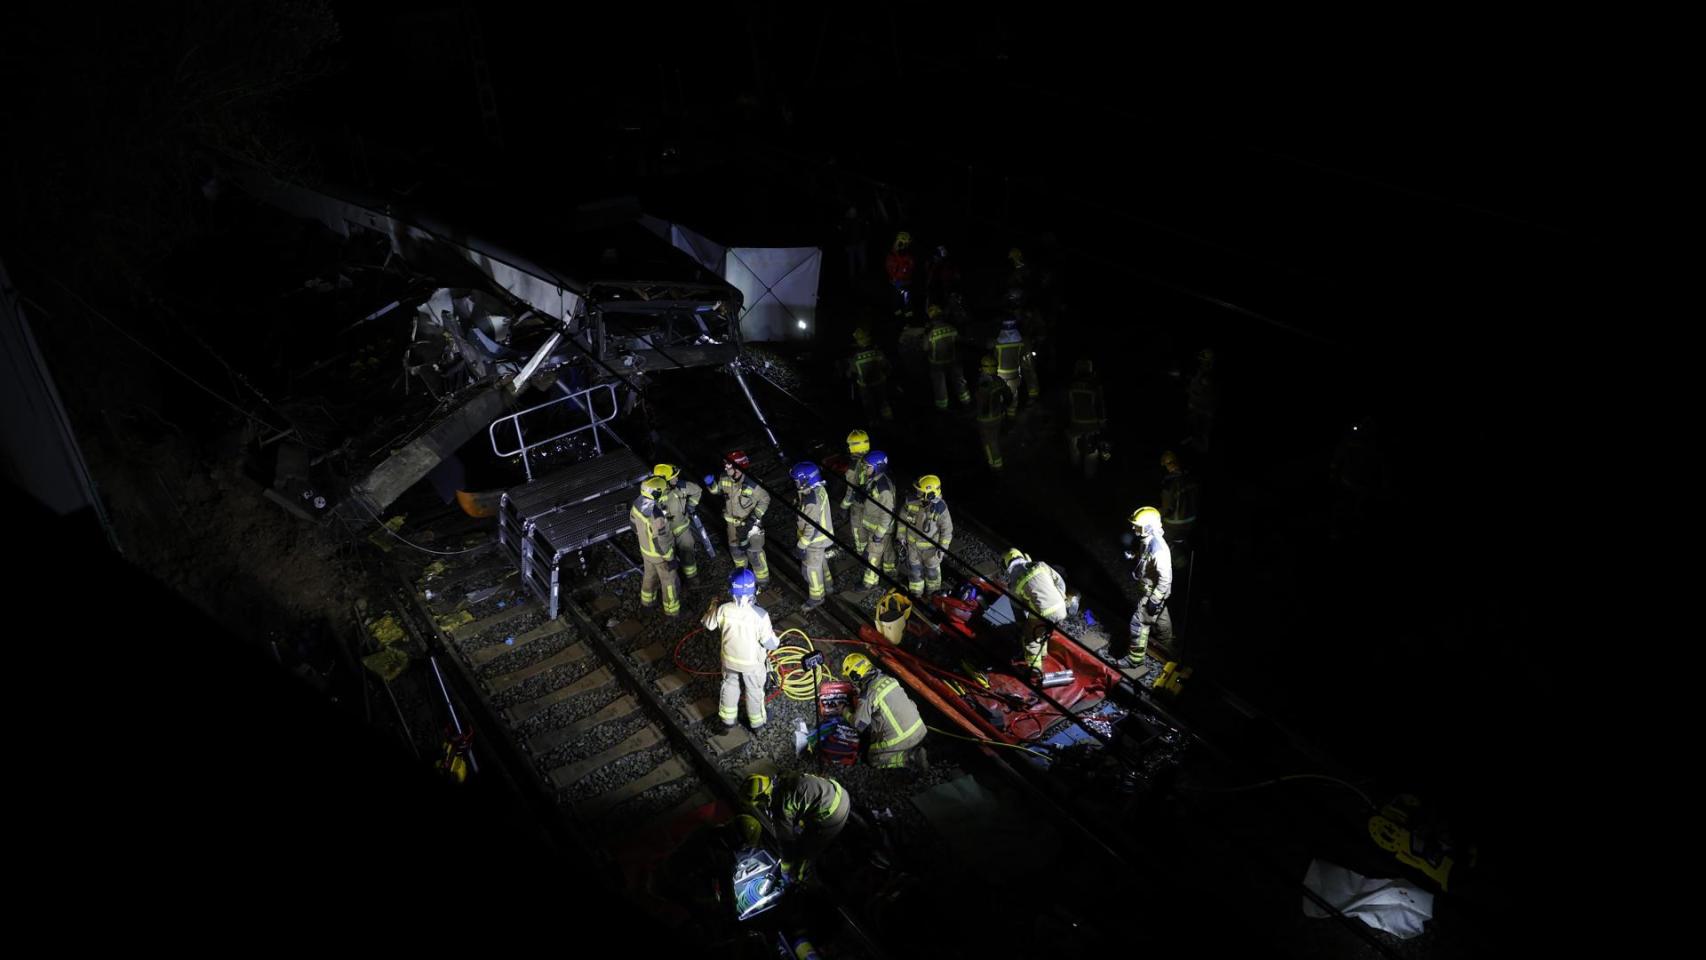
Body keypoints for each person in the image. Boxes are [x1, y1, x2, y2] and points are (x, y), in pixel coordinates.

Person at [702, 569, 780, 731]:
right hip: (752, 665)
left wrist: (713, 605)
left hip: (729, 660)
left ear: (731, 589)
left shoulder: (723, 609)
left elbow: (709, 625)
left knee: (730, 685)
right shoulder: (760, 615)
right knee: (754, 691)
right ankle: (757, 723)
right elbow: (771, 644)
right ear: (754, 590)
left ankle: (727, 721)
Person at [744, 772, 850, 883]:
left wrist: (785, 870)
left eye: (759, 803)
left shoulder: (778, 806)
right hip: (839, 791)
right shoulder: (783, 778)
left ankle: (801, 881)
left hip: (835, 813)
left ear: (763, 796)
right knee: (798, 825)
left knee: (804, 851)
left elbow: (786, 844)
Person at [843, 652, 927, 771]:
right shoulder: (890, 680)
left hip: (902, 738)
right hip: (919, 729)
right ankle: (911, 748)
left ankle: (909, 758)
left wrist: (844, 711)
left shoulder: (867, 695)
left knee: (872, 760)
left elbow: (859, 725)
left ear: (855, 675)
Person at [1120, 507, 1176, 670]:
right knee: (1161, 623)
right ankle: (1169, 651)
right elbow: (1146, 558)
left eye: (1137, 525)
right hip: (1152, 592)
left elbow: (1166, 578)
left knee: (1139, 623)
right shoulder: (1148, 540)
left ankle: (1134, 660)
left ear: (1148, 527)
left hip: (1152, 593)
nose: (1133, 527)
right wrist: (1134, 555)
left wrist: (1154, 599)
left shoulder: (1159, 549)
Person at [1002, 547, 1071, 673]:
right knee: (1041, 631)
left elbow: (1018, 610)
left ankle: (1035, 669)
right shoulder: (1041, 566)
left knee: (1031, 638)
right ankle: (1043, 654)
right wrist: (1061, 600)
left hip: (1043, 614)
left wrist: (1022, 626)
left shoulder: (1014, 585)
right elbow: (1060, 582)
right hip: (1061, 609)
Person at [709, 450, 770, 586]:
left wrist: (754, 517)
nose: (726, 468)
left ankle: (763, 581)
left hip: (750, 526)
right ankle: (741, 577)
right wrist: (711, 484)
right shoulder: (724, 478)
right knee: (736, 553)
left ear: (738, 468)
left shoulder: (754, 484)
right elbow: (716, 491)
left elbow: (765, 499)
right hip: (732, 526)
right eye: (726, 465)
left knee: (754, 554)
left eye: (729, 466)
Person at [630, 477, 680, 617]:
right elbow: (661, 541)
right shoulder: (657, 516)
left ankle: (647, 604)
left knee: (649, 576)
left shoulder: (637, 503)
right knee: (669, 583)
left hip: (646, 552)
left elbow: (633, 525)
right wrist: (670, 558)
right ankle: (672, 612)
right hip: (660, 556)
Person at [899, 474, 952, 596]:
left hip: (931, 551)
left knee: (932, 575)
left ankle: (933, 596)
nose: (917, 493)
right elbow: (901, 520)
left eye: (920, 491)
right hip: (912, 548)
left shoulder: (940, 508)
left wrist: (942, 550)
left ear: (931, 494)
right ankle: (916, 595)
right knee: (914, 573)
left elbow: (947, 531)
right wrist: (900, 537)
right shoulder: (910, 501)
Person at [792, 462, 835, 610]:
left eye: (797, 480)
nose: (795, 483)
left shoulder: (811, 500)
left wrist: (800, 546)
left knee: (812, 569)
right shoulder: (818, 489)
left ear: (806, 480)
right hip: (821, 539)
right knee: (820, 561)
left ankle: (817, 598)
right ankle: (828, 585)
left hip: (814, 541)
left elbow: (811, 528)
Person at [653, 463, 704, 581]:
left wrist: (691, 506)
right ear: (664, 480)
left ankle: (692, 577)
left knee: (688, 554)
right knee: (667, 560)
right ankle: (673, 582)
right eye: (673, 477)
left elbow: (697, 491)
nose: (677, 478)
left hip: (682, 529)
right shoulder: (655, 495)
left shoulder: (680, 486)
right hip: (665, 534)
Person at [856, 451, 898, 588]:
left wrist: (878, 535)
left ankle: (869, 583)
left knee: (873, 556)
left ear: (877, 467)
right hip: (876, 526)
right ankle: (890, 570)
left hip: (879, 529)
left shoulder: (884, 489)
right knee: (887, 549)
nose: (865, 469)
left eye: (868, 466)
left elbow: (886, 515)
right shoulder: (875, 480)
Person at [1065, 359, 1107, 474]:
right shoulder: (1095, 385)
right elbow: (1100, 408)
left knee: (1074, 450)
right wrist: (1103, 425)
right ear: (1090, 369)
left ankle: (1074, 473)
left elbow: (1066, 405)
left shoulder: (1070, 384)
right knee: (1091, 453)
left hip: (1074, 425)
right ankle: (1089, 479)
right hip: (1092, 427)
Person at [924, 305, 970, 410]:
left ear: (931, 318)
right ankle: (966, 402)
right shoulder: (951, 328)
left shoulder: (931, 332)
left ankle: (942, 407)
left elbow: (925, 348)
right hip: (953, 360)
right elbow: (960, 340)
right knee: (959, 381)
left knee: (940, 386)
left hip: (936, 364)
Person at [973, 356, 1013, 471]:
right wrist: (1004, 406)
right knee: (994, 439)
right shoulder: (999, 381)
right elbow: (1008, 396)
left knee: (988, 442)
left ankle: (995, 466)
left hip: (984, 419)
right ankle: (996, 463)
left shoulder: (981, 383)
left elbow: (978, 401)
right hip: (997, 416)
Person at [847, 328, 894, 423]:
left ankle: (874, 423)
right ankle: (889, 421)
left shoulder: (855, 357)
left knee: (869, 406)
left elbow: (852, 373)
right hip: (880, 384)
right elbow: (887, 367)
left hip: (865, 388)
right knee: (883, 402)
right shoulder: (877, 352)